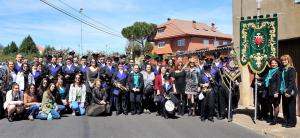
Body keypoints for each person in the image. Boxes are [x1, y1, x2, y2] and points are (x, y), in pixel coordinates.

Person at [280, 54, 298, 128]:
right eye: (282, 60)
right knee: (285, 107)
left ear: (289, 60)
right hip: (284, 90)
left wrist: (288, 92)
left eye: (285, 60)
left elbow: (291, 82)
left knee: (291, 107)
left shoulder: (291, 69)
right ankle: (286, 121)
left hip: (290, 91)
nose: (283, 61)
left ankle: (292, 123)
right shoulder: (283, 69)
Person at [263, 58, 281, 125]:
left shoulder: (278, 71)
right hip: (269, 90)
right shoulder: (270, 71)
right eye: (272, 63)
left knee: (276, 105)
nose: (273, 64)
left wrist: (277, 91)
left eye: (275, 63)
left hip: (275, 91)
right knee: (269, 104)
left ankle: (275, 119)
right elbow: (266, 79)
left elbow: (279, 83)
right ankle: (271, 116)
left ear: (277, 64)